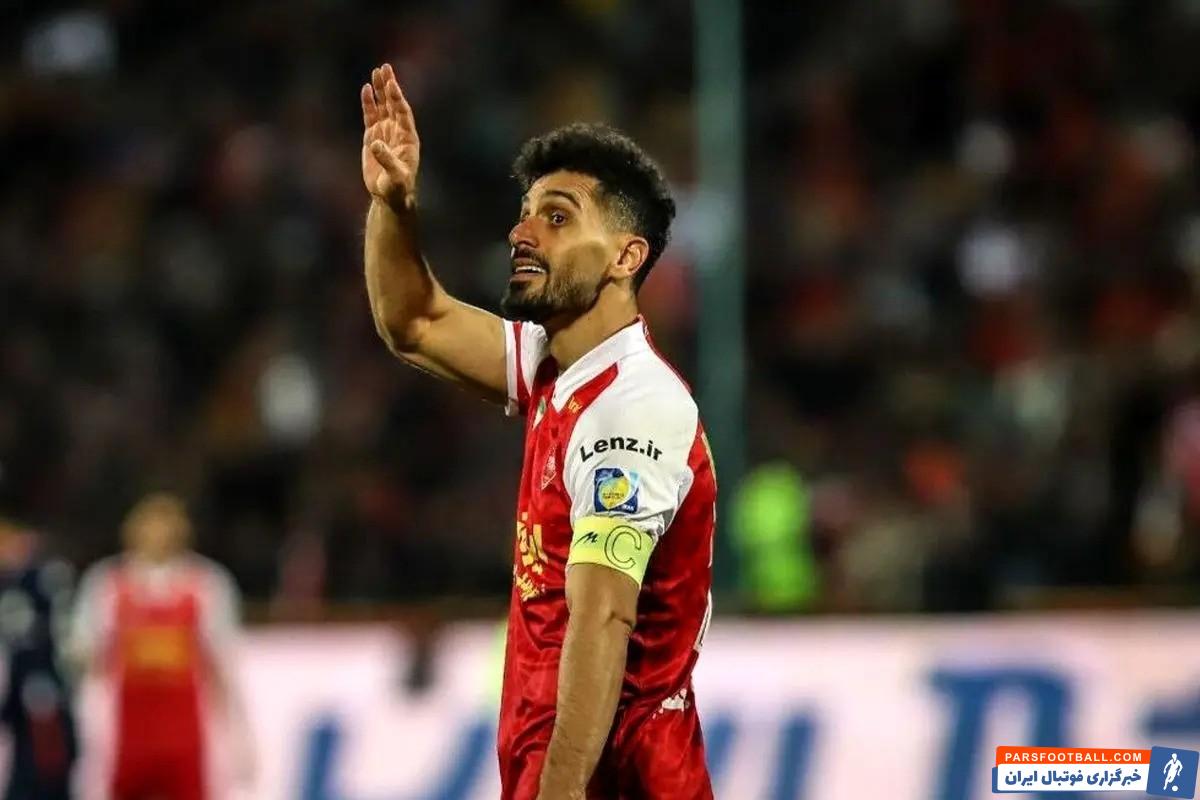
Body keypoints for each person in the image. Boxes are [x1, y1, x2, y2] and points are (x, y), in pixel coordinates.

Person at [360, 63, 717, 799]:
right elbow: (414, 321)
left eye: (557, 217)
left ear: (626, 257)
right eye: (524, 214)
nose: (521, 234)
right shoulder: (557, 365)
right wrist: (393, 203)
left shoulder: (632, 412)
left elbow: (604, 618)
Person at [71, 493, 254, 800]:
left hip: (187, 735)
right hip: (125, 734)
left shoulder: (207, 584)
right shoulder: (106, 584)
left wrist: (239, 735)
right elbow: (86, 657)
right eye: (149, 525)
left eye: (166, 526)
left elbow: (224, 664)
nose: (157, 534)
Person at [0, 516, 77, 800]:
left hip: (38, 686)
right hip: (11, 690)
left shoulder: (45, 580)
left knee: (43, 767)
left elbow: (64, 638)